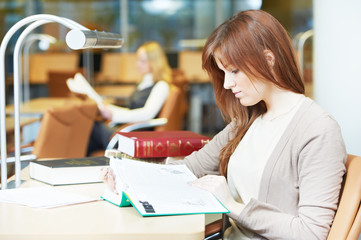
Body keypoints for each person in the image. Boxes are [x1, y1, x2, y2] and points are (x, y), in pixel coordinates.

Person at [101, 10, 346, 239]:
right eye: (223, 73)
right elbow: (190, 168)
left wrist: (230, 205)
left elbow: (312, 233)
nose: (227, 84)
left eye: (235, 71)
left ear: (268, 59)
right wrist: (127, 178)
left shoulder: (317, 129)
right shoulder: (247, 121)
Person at [87, 41, 172, 154]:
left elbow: (147, 114)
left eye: (143, 61)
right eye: (138, 60)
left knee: (91, 127)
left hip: (136, 136)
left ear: (154, 62)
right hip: (129, 129)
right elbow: (131, 110)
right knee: (89, 131)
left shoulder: (161, 85)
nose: (138, 64)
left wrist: (114, 115)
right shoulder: (143, 83)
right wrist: (110, 108)